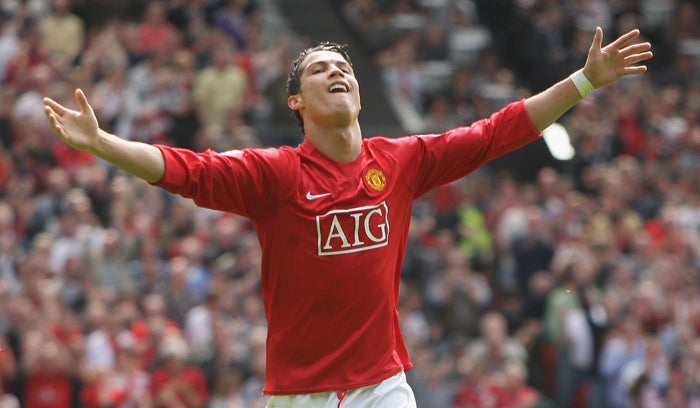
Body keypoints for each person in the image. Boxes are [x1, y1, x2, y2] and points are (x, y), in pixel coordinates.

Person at [43, 27, 652, 407]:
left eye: (344, 67)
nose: (338, 71)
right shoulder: (276, 175)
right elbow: (185, 169)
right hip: (297, 394)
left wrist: (582, 82)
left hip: (382, 386)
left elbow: (495, 133)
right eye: (319, 69)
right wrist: (102, 144)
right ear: (296, 101)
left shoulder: (402, 162)